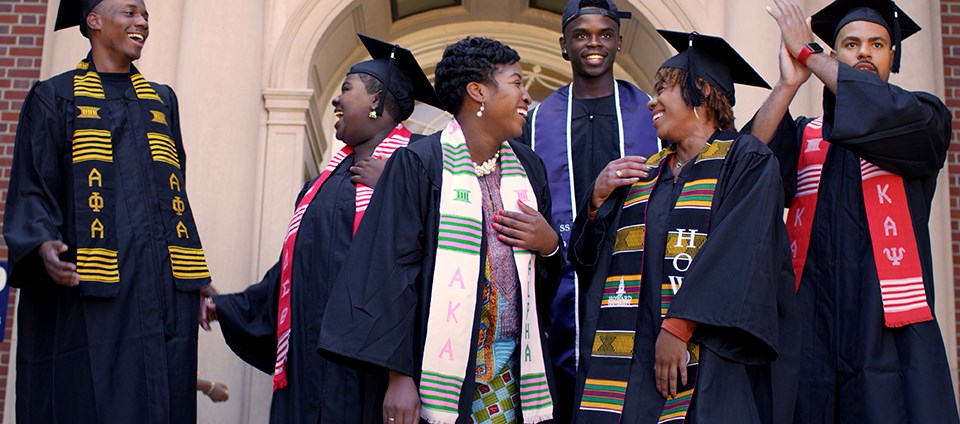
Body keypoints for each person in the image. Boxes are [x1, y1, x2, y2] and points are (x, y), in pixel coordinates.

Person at [320, 37, 563, 424]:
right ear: (478, 91)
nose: (527, 97)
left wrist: (550, 246)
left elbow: (542, 287)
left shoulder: (529, 169)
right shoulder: (419, 164)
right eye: (517, 83)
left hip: (513, 373)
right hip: (438, 372)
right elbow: (391, 273)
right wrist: (399, 377)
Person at [204, 35, 443, 423]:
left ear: (378, 102)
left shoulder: (422, 162)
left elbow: (439, 260)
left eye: (347, 89)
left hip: (373, 379)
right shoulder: (322, 185)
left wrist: (395, 186)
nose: (336, 99)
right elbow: (291, 272)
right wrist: (225, 307)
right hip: (309, 373)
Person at [3, 0, 215, 422]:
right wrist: (43, 244)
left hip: (159, 289)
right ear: (94, 21)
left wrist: (195, 277)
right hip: (90, 292)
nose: (141, 23)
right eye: (130, 12)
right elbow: (33, 189)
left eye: (145, 16)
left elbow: (175, 194)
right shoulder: (54, 98)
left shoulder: (161, 101)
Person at [569, 30, 797, 423]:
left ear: (703, 91)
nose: (652, 100)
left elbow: (742, 250)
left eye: (665, 88)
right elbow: (592, 265)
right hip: (630, 369)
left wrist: (678, 327)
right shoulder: (643, 175)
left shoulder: (746, 161)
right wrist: (597, 202)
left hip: (707, 363)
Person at [751, 0, 960, 422]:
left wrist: (808, 51)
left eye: (876, 44)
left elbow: (883, 110)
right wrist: (788, 84)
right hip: (809, 325)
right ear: (836, 55)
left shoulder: (923, 118)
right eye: (851, 44)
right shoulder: (807, 134)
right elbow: (749, 170)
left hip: (887, 328)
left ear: (892, 55)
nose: (864, 52)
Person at [517, 2, 660, 414]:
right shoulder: (539, 118)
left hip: (633, 271)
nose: (593, 43)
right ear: (564, 45)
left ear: (618, 41)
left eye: (603, 34)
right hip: (557, 278)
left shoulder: (651, 112)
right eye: (581, 35)